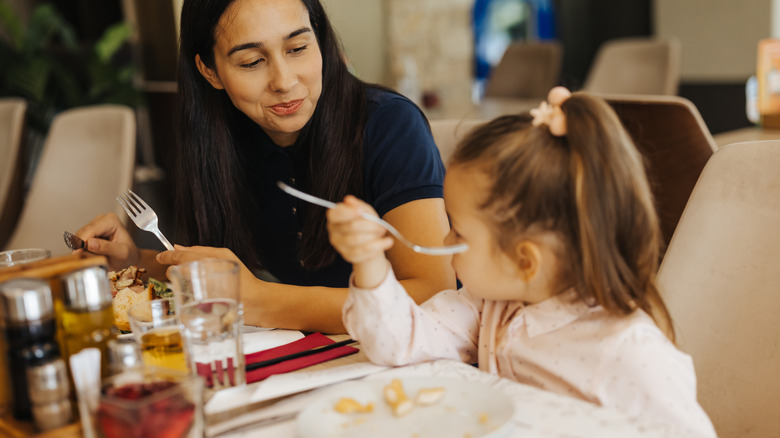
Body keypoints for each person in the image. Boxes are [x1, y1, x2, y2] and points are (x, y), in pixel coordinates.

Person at [327, 88, 716, 436]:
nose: (445, 239)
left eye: (458, 232)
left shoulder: (629, 355)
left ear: (525, 261)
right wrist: (369, 260)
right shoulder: (488, 305)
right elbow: (396, 342)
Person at [74, 0, 455, 333]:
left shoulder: (389, 125)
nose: (285, 81)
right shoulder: (219, 141)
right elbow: (221, 275)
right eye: (252, 61)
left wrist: (259, 301)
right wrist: (133, 261)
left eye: (298, 47)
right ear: (209, 71)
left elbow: (435, 292)